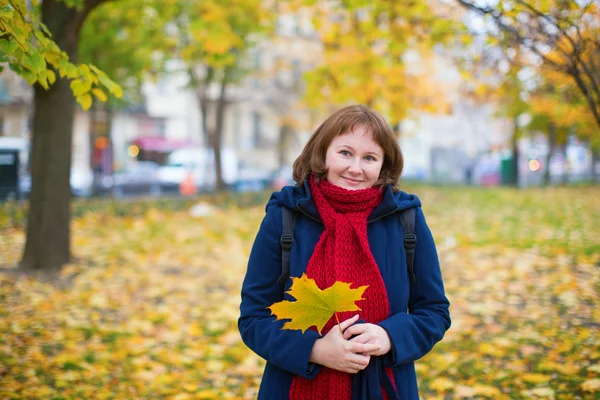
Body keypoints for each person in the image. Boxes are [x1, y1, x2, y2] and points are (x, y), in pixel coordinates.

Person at [238, 105, 451, 400]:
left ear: (383, 165)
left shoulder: (406, 219)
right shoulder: (285, 215)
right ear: (323, 152)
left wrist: (389, 336)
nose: (355, 168)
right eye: (345, 153)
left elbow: (435, 312)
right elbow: (253, 318)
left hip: (385, 387)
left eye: (369, 157)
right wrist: (314, 350)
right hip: (293, 387)